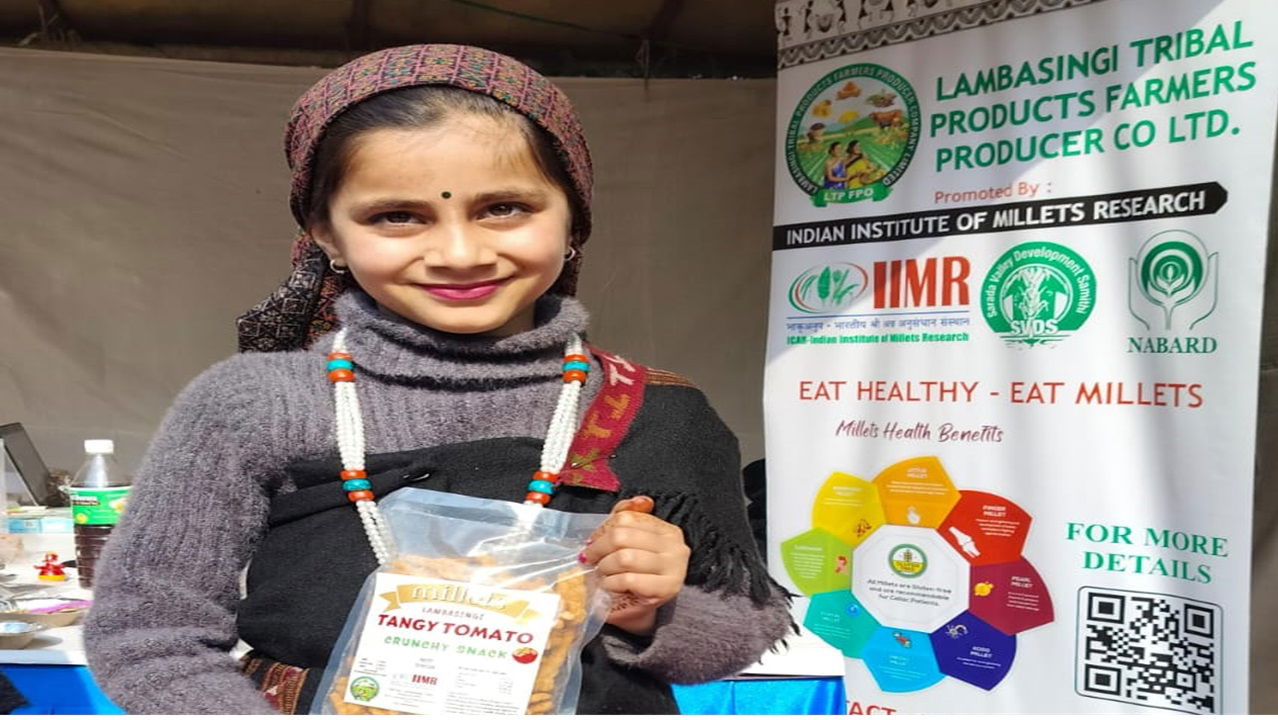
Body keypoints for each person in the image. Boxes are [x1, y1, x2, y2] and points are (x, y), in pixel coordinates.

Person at [83, 44, 793, 715]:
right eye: (397, 216)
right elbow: (150, 636)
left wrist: (653, 608)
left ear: (573, 212)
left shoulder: (654, 411)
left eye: (504, 207)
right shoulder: (255, 406)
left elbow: (740, 628)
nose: (459, 253)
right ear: (326, 232)